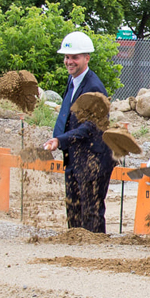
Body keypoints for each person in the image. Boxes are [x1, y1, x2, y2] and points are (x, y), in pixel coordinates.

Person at [43, 31, 116, 233]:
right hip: (75, 156)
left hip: (94, 158)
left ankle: (94, 257)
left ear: (86, 58)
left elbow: (91, 127)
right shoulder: (73, 81)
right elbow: (66, 114)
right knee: (73, 209)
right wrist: (57, 138)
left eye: (74, 57)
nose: (69, 61)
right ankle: (74, 255)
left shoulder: (94, 87)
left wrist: (60, 140)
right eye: (67, 57)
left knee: (91, 212)